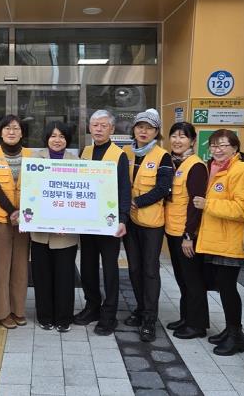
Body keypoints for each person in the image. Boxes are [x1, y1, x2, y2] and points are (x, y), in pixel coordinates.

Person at [193, 129, 244, 356]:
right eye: (213, 145)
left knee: (228, 289)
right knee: (222, 286)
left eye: (223, 145)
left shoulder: (242, 170)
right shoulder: (213, 167)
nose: (217, 150)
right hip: (214, 239)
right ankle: (229, 330)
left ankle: (236, 336)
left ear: (235, 147)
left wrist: (208, 204)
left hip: (229, 240)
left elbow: (242, 209)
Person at [73, 110, 129, 336]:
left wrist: (123, 218)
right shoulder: (85, 152)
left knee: (110, 269)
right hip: (87, 221)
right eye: (95, 125)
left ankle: (109, 314)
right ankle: (92, 306)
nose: (98, 129)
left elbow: (124, 188)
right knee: (87, 266)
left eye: (103, 125)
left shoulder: (119, 155)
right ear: (89, 127)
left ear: (112, 129)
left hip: (109, 221)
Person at [122, 108, 174, 342]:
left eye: (149, 128)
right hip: (130, 221)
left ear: (156, 132)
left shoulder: (163, 157)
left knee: (150, 270)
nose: (144, 131)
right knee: (134, 268)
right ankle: (140, 309)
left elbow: (164, 188)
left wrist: (137, 202)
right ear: (134, 129)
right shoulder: (126, 153)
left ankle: (150, 319)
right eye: (140, 126)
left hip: (152, 223)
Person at [0, 115, 32, 329]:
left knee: (21, 266)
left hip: (25, 219)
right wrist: (12, 211)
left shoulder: (31, 155)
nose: (11, 132)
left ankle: (18, 310)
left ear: (22, 132)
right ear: (0, 132)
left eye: (15, 128)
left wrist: (22, 212)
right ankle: (1, 312)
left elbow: (36, 185)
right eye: (7, 128)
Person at [31, 122, 79, 333]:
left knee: (65, 277)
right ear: (46, 138)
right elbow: (29, 192)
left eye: (61, 136)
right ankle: (44, 316)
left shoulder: (76, 163)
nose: (57, 140)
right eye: (53, 136)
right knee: (42, 276)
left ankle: (63, 318)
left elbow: (78, 198)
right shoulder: (35, 160)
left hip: (65, 234)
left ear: (67, 139)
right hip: (40, 233)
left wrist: (67, 222)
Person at [164, 122, 209, 339]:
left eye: (182, 136)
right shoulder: (174, 163)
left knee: (193, 279)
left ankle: (197, 325)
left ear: (192, 141)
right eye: (174, 136)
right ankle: (186, 317)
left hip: (186, 234)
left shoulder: (196, 166)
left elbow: (195, 203)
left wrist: (189, 235)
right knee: (182, 277)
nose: (177, 140)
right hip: (173, 230)